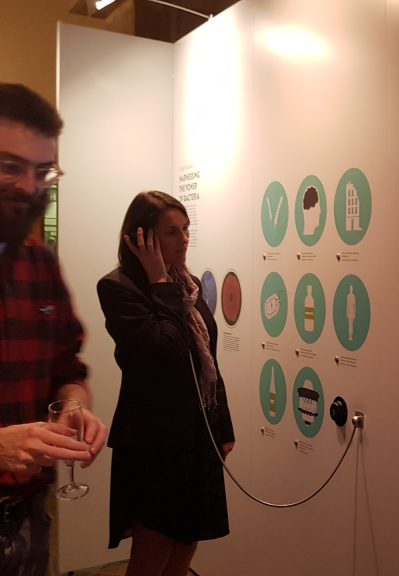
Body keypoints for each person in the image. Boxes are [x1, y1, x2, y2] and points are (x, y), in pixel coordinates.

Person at [0, 82, 108, 575]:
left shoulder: (40, 263)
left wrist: (74, 406)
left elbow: (68, 366)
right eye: (10, 167)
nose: (30, 187)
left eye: (43, 171)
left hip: (27, 518)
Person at [97, 191, 234, 576]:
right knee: (154, 544)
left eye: (186, 229)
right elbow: (165, 351)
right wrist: (159, 281)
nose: (184, 239)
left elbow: (208, 358)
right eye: (172, 232)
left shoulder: (187, 285)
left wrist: (223, 426)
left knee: (188, 539)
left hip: (197, 432)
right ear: (143, 238)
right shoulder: (119, 288)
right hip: (154, 440)